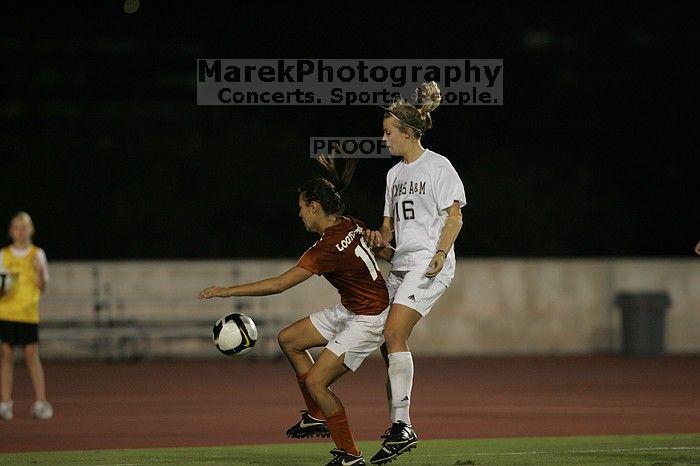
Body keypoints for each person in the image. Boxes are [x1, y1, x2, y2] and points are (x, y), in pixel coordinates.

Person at [198, 156, 389, 466]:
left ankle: (350, 455)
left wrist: (226, 291)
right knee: (289, 339)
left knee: (316, 382)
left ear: (314, 207)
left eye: (302, 207)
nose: (299, 213)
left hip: (369, 319)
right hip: (352, 309)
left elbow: (278, 285)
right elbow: (373, 250)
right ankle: (316, 415)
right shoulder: (350, 223)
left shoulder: (325, 249)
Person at [364, 81, 466, 464]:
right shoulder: (393, 176)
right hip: (403, 264)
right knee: (383, 338)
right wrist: (377, 242)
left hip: (429, 262)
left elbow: (454, 217)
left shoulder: (439, 166)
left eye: (388, 132)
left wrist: (441, 252)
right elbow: (389, 234)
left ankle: (402, 426)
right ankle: (398, 425)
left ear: (407, 133)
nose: (384, 137)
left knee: (393, 331)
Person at [0, 212, 53, 421]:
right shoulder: (3, 255)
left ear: (30, 230)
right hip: (6, 312)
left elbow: (43, 286)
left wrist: (39, 272)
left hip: (28, 313)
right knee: (6, 356)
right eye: (16, 227)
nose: (20, 232)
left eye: (24, 227)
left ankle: (41, 403)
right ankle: (5, 404)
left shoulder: (37, 254)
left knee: (32, 356)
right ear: (10, 231)